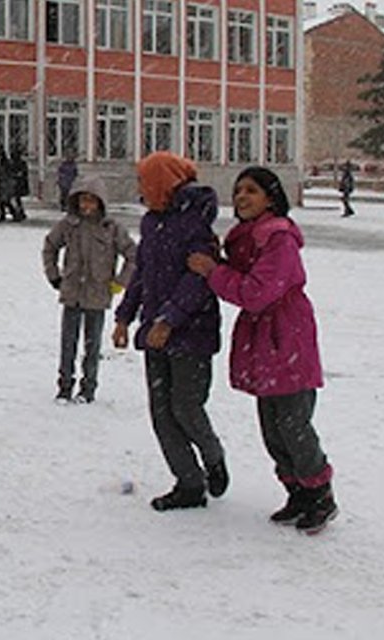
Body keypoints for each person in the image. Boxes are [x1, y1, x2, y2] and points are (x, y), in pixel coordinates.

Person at [186, 167, 338, 534]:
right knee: (273, 427)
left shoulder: (278, 239)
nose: (241, 197)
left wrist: (212, 271)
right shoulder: (248, 238)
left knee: (293, 424)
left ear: (271, 198)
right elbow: (242, 282)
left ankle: (321, 496)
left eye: (251, 190)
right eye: (238, 190)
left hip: (286, 336)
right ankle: (298, 492)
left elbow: (255, 293)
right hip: (265, 341)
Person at [113, 151, 227, 512]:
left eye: (144, 181)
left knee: (186, 406)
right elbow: (143, 273)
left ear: (163, 182)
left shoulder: (196, 223)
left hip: (190, 333)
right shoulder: (152, 222)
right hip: (154, 333)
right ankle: (189, 483)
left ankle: (212, 457)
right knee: (161, 412)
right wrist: (124, 317)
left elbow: (199, 279)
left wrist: (169, 319)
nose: (140, 189)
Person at [43, 176, 137, 403]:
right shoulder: (68, 225)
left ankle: (88, 388)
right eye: (82, 200)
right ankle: (65, 386)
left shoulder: (111, 228)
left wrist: (120, 282)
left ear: (100, 203)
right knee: (68, 343)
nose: (86, 206)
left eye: (91, 201)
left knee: (92, 345)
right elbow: (50, 247)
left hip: (97, 294)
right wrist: (54, 276)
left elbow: (133, 256)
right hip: (72, 293)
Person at [0, 145, 16, 222]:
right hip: (3, 184)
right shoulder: (3, 163)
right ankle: (4, 214)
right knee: (3, 202)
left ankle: (13, 214)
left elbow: (8, 174)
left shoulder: (6, 163)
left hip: (5, 185)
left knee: (5, 201)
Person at [9, 144, 30, 221]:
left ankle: (18, 214)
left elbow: (22, 173)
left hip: (17, 184)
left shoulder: (20, 163)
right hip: (17, 184)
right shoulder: (17, 163)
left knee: (15, 200)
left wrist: (16, 176)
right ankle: (19, 213)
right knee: (16, 200)